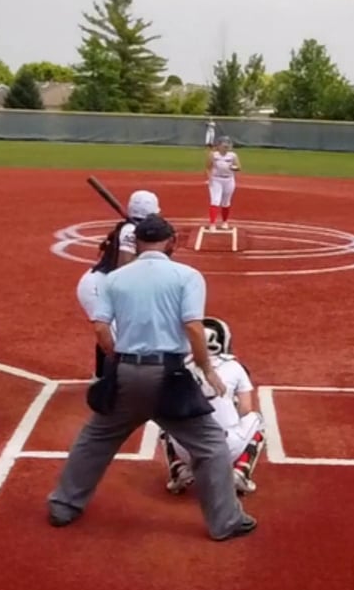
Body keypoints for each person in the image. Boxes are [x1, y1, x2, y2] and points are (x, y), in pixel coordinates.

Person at [50, 214, 255, 541]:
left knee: (95, 439)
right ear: (171, 241)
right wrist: (206, 368)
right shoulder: (187, 276)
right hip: (170, 377)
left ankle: (64, 504)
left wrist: (119, 360)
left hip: (127, 374)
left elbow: (101, 329)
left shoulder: (114, 279)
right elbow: (193, 327)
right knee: (211, 446)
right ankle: (225, 521)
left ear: (137, 242)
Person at [161, 316, 268, 496]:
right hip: (226, 447)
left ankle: (179, 470)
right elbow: (245, 409)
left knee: (166, 422)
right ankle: (240, 471)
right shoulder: (235, 367)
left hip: (188, 447)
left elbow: (171, 404)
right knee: (256, 420)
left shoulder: (180, 367)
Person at [75, 189, 162, 377]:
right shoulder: (130, 231)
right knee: (116, 337)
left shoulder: (136, 231)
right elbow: (125, 267)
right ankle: (107, 381)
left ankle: (102, 377)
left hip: (108, 285)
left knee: (116, 333)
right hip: (99, 287)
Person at [207, 137, 240, 229]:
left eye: (227, 144)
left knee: (226, 202)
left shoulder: (233, 155)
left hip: (229, 180)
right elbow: (208, 167)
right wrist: (210, 179)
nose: (226, 146)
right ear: (219, 146)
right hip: (216, 179)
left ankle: (225, 222)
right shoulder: (213, 155)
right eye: (224, 144)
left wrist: (233, 167)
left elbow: (238, 167)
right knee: (215, 201)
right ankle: (212, 224)